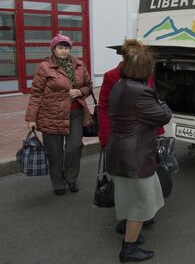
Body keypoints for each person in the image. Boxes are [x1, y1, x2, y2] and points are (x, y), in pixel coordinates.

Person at [106, 40, 172, 262]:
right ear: (144, 69)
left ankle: (127, 230)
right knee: (139, 203)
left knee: (129, 197)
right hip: (134, 157)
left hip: (121, 153)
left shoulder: (121, 85)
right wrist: (161, 100)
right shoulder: (140, 91)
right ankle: (129, 248)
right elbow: (164, 115)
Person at [98, 47, 165, 237]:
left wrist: (158, 130)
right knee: (130, 186)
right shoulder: (112, 76)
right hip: (126, 140)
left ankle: (141, 216)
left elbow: (150, 102)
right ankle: (129, 224)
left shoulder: (142, 75)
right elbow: (104, 106)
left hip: (141, 137)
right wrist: (105, 135)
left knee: (144, 183)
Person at [25, 34, 93, 195]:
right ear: (53, 49)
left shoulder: (79, 65)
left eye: (66, 47)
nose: (64, 51)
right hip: (51, 114)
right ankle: (58, 183)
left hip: (75, 113)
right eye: (60, 47)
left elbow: (89, 86)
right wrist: (31, 118)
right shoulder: (45, 66)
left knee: (74, 148)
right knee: (54, 152)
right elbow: (36, 93)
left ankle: (71, 178)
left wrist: (80, 91)